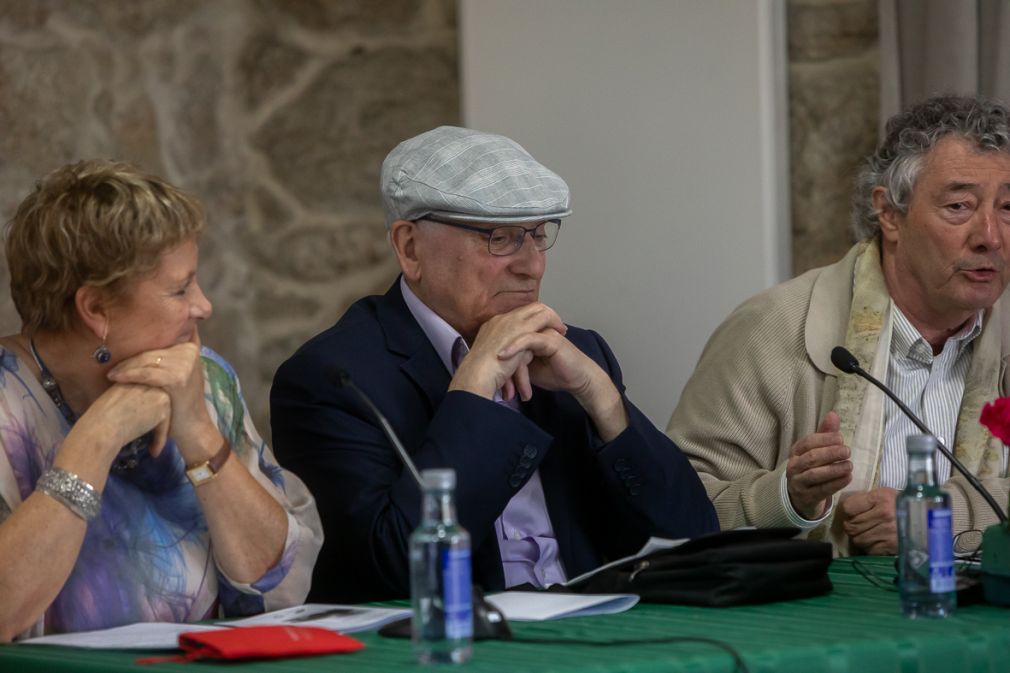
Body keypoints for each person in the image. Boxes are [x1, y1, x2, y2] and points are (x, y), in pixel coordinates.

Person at [271, 126, 717, 602]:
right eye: (501, 239)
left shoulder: (577, 354)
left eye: (539, 236)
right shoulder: (333, 378)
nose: (534, 266)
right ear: (410, 248)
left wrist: (601, 397)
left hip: (598, 630)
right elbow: (391, 572)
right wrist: (472, 391)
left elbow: (694, 541)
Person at [668, 95, 1010, 554]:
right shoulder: (772, 327)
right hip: (813, 619)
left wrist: (942, 519)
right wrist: (788, 497)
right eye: (959, 206)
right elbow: (676, 506)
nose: (990, 236)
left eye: (1008, 208)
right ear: (889, 214)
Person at [0, 161, 322, 641]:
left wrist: (199, 434)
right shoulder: (9, 405)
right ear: (95, 309)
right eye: (180, 288)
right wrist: (98, 436)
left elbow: (279, 586)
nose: (204, 305)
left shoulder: (203, 378)